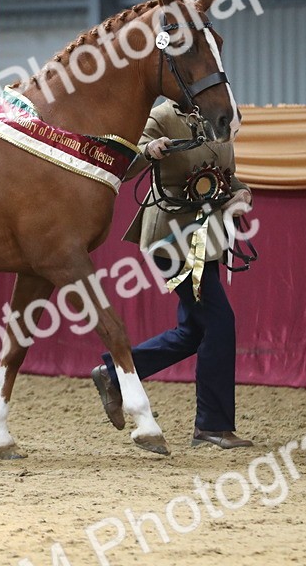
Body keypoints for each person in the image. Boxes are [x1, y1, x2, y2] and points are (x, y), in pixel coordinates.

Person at [91, 100, 254, 449]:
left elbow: (223, 174)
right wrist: (148, 150)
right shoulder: (161, 117)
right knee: (219, 323)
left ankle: (114, 375)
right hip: (172, 238)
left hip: (207, 236)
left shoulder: (218, 116)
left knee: (194, 331)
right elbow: (126, 165)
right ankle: (212, 426)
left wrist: (240, 191)